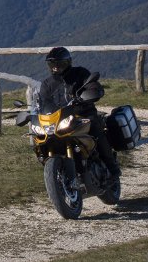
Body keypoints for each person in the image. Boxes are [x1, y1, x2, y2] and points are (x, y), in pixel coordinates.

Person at [29, 47, 121, 180]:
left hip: (83, 113)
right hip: (59, 119)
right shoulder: (47, 84)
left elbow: (92, 85)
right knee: (43, 138)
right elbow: (43, 102)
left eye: (59, 64)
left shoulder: (80, 73)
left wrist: (92, 91)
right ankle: (56, 174)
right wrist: (33, 113)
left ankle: (112, 167)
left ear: (67, 63)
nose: (56, 67)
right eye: (52, 64)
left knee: (95, 129)